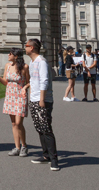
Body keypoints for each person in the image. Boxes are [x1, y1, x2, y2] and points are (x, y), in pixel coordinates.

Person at [0, 48, 30, 157]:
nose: (8, 55)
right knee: (14, 123)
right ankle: (17, 147)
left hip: (20, 96)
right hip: (10, 96)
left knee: (19, 122)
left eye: (10, 53)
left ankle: (24, 146)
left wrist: (25, 88)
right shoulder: (8, 66)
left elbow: (30, 82)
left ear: (16, 56)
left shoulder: (25, 67)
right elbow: (5, 82)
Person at [25, 38, 59, 171]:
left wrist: (42, 99)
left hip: (42, 100)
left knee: (46, 129)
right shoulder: (32, 62)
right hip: (34, 99)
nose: (25, 47)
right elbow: (33, 81)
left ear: (32, 48)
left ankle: (54, 159)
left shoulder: (41, 62)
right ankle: (46, 155)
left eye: (26, 45)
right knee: (39, 128)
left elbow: (44, 81)